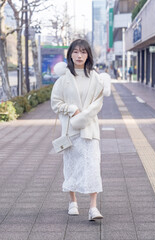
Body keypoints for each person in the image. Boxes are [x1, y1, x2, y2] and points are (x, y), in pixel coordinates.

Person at [51, 39, 111, 221]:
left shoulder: (96, 79)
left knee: (93, 166)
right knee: (71, 167)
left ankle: (93, 207)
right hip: (70, 132)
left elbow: (98, 103)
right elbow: (55, 103)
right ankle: (73, 201)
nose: (79, 55)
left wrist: (83, 116)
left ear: (88, 55)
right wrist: (72, 110)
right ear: (70, 54)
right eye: (76, 52)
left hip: (90, 130)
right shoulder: (63, 80)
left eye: (83, 52)